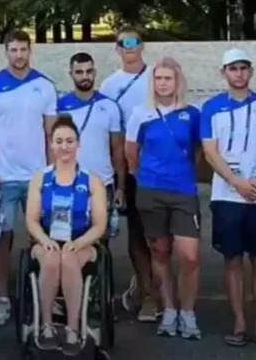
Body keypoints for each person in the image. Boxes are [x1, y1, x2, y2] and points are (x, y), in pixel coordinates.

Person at [0, 29, 57, 326]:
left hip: (38, 178)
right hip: (3, 178)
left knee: (42, 237)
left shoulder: (45, 86)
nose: (18, 55)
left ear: (30, 51)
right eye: (13, 50)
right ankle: (3, 298)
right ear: (5, 52)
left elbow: (52, 136)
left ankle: (41, 294)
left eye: (23, 49)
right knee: (2, 238)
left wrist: (53, 175)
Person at [201, 49, 256, 349]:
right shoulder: (211, 107)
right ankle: (239, 323)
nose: (239, 74)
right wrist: (236, 182)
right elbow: (210, 151)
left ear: (251, 71)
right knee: (232, 259)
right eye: (233, 68)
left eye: (244, 68)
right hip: (226, 195)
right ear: (224, 72)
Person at [125, 56, 202, 339]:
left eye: (168, 78)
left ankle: (188, 312)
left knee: (190, 256)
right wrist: (141, 177)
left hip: (183, 192)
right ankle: (169, 310)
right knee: (159, 251)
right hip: (150, 191)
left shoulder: (192, 114)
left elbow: (198, 150)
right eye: (158, 78)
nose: (163, 83)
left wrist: (182, 173)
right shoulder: (140, 113)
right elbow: (131, 153)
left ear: (177, 81)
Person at [25, 116, 108, 355]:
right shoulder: (40, 178)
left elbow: (99, 224)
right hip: (47, 238)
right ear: (51, 145)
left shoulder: (92, 181)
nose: (64, 146)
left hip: (81, 240)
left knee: (69, 259)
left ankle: (73, 328)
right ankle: (47, 325)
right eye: (59, 141)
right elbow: (31, 219)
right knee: (52, 259)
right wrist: (45, 240)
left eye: (69, 141)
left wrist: (80, 242)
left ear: (78, 144)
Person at [99, 26, 157, 321]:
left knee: (159, 238)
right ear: (117, 49)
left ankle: (153, 293)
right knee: (135, 234)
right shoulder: (109, 85)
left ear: (142, 45)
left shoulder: (157, 76)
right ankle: (145, 294)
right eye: (123, 43)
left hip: (159, 168)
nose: (129, 47)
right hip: (127, 170)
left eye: (134, 41)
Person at [57, 52, 125, 231]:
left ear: (95, 73)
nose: (85, 76)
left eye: (89, 71)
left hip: (102, 182)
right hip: (67, 181)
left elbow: (117, 149)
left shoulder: (110, 106)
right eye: (79, 72)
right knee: (65, 235)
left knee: (101, 239)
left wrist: (121, 187)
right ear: (71, 74)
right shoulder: (59, 107)